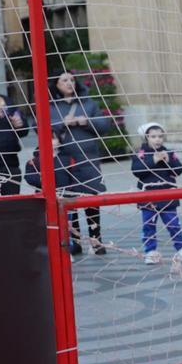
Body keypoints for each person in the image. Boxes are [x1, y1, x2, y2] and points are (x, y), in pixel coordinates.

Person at [50, 72, 110, 255]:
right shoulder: (50, 106)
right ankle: (74, 241)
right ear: (56, 84)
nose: (69, 83)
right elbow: (40, 129)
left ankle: (96, 240)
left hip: (88, 158)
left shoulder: (88, 103)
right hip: (65, 159)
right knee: (70, 200)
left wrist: (86, 121)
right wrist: (63, 123)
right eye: (64, 80)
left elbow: (105, 126)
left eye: (72, 80)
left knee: (92, 199)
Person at [131, 122, 182, 264]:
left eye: (160, 136)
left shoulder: (169, 153)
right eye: (153, 136)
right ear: (146, 137)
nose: (157, 139)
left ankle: (181, 249)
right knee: (149, 226)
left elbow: (178, 170)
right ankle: (150, 251)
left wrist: (168, 161)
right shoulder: (140, 154)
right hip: (148, 197)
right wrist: (153, 159)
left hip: (168, 196)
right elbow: (136, 171)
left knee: (174, 225)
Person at [0, 92, 28, 196]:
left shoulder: (5, 99)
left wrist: (20, 124)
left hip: (10, 164)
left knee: (10, 207)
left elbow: (23, 130)